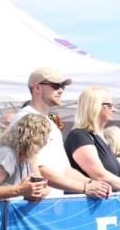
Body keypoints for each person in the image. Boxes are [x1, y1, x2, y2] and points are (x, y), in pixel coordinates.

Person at [12, 67, 111, 199]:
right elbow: (37, 170)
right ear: (37, 88)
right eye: (55, 85)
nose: (61, 90)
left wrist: (92, 183)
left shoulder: (51, 124)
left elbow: (63, 169)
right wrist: (85, 188)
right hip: (32, 208)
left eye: (63, 86)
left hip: (51, 205)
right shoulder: (25, 118)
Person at [65, 87, 120, 193]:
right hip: (85, 206)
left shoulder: (97, 138)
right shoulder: (79, 136)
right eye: (109, 105)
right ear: (95, 106)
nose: (114, 109)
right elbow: (99, 175)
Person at [0, 113, 50, 201]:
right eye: (45, 137)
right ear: (35, 138)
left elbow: (41, 186)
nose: (46, 141)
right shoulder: (6, 154)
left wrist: (41, 191)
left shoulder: (29, 157)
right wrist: (19, 190)